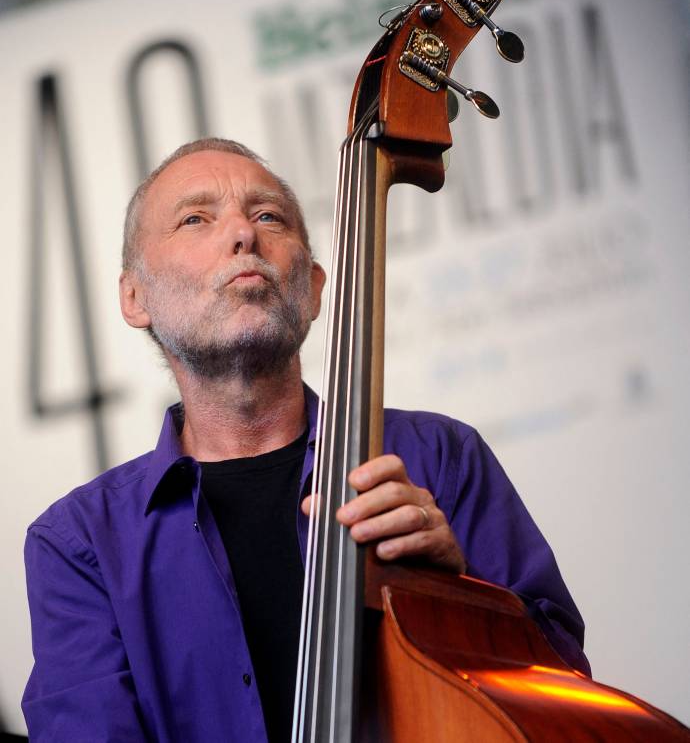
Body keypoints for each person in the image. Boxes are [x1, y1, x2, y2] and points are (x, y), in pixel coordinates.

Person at [22, 138, 590, 743]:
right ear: (135, 298)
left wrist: (459, 592)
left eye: (269, 216)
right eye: (196, 218)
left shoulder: (441, 457)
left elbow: (563, 687)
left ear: (315, 289)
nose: (244, 234)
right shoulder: (78, 543)